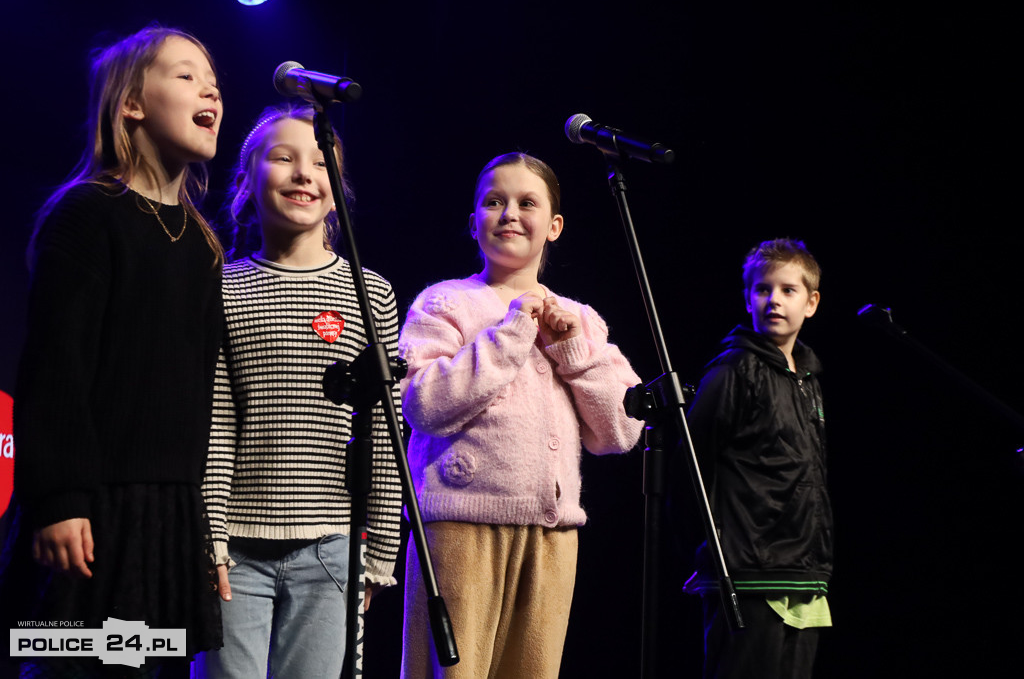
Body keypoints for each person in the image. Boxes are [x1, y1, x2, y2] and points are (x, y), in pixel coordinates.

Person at [5, 25, 225, 677]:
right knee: (75, 664)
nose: (209, 86)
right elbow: (55, 370)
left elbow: (194, 396)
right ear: (132, 102)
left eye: (213, 79)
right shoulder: (88, 215)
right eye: (185, 74)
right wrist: (61, 498)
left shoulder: (202, 245)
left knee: (148, 666)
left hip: (167, 517)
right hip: (94, 507)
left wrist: (199, 528)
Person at [398, 152, 644, 678]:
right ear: (473, 222)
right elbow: (423, 405)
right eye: (494, 202)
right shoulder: (446, 304)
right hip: (461, 527)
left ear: (554, 226)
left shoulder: (579, 319)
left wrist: (574, 350)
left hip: (551, 537)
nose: (509, 213)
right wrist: (509, 336)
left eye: (526, 203)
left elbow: (620, 431)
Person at [197, 103, 403, 679]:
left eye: (320, 162)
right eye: (283, 158)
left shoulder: (372, 293)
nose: (303, 173)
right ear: (246, 181)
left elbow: (386, 430)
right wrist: (209, 534)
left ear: (336, 193)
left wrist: (380, 550)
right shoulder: (223, 288)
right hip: (236, 546)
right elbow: (215, 420)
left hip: (333, 546)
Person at [681, 238, 833, 679]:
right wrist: (713, 551)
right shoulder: (732, 372)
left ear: (812, 302)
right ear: (748, 297)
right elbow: (690, 466)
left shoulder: (807, 378)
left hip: (803, 572)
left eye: (788, 290)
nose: (774, 300)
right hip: (748, 574)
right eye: (763, 289)